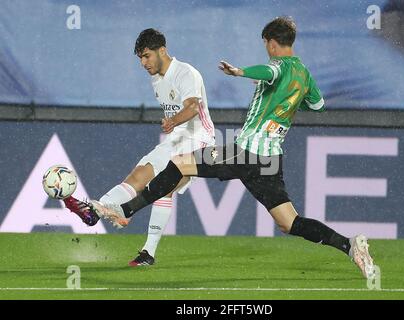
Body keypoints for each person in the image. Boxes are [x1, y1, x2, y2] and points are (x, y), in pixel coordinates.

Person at [91, 17, 375, 279]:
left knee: (178, 163)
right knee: (289, 222)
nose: (267, 49)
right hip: (270, 160)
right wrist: (287, 98)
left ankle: (125, 210)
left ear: (272, 43)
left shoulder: (278, 66)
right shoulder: (304, 74)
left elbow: (269, 70)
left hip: (247, 151)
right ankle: (349, 245)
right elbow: (319, 106)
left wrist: (240, 72)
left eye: (266, 44)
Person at [63, 28, 215, 267]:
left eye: (146, 56)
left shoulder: (186, 73)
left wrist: (173, 121)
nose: (143, 63)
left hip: (200, 140)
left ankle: (147, 251)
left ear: (161, 50)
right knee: (139, 175)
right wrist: (174, 126)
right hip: (176, 139)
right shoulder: (156, 80)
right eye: (140, 58)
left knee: (164, 187)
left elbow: (193, 107)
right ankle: (97, 208)